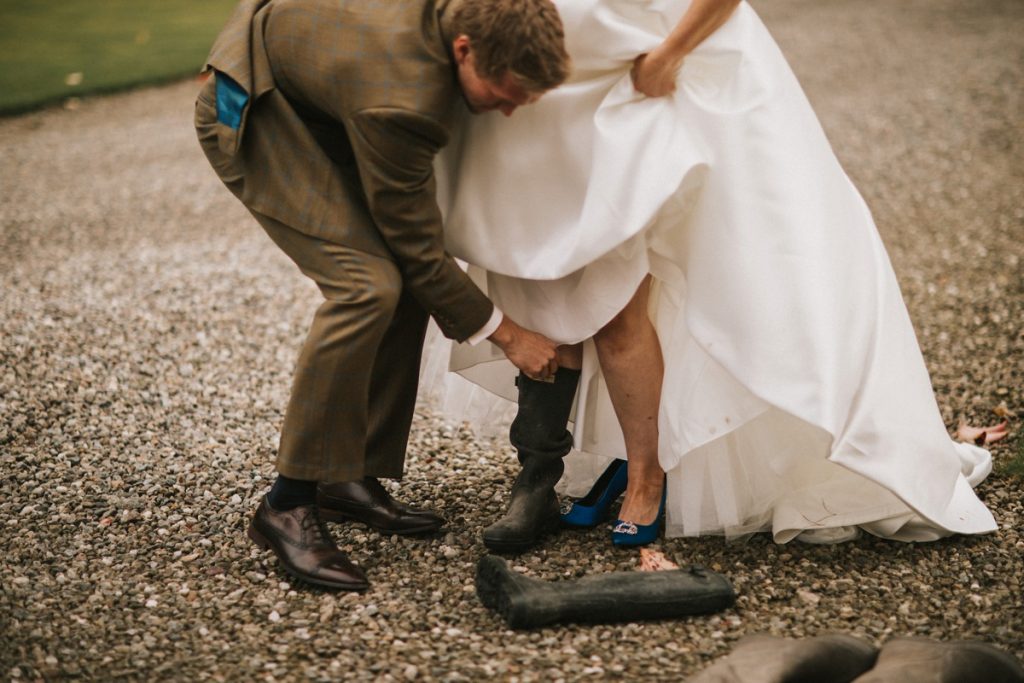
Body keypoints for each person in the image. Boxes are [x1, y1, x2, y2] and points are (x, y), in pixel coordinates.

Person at [424, 0, 997, 548]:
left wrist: (671, 53)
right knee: (541, 270)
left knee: (628, 289)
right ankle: (544, 473)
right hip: (539, 80)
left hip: (643, 79)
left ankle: (646, 474)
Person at [194, 0, 571, 590]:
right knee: (366, 287)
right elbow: (417, 245)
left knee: (401, 283)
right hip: (261, 105)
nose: (509, 108)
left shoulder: (465, 26)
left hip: (323, 88)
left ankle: (346, 476)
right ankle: (287, 503)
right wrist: (509, 334)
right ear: (465, 50)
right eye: (506, 90)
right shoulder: (403, 97)